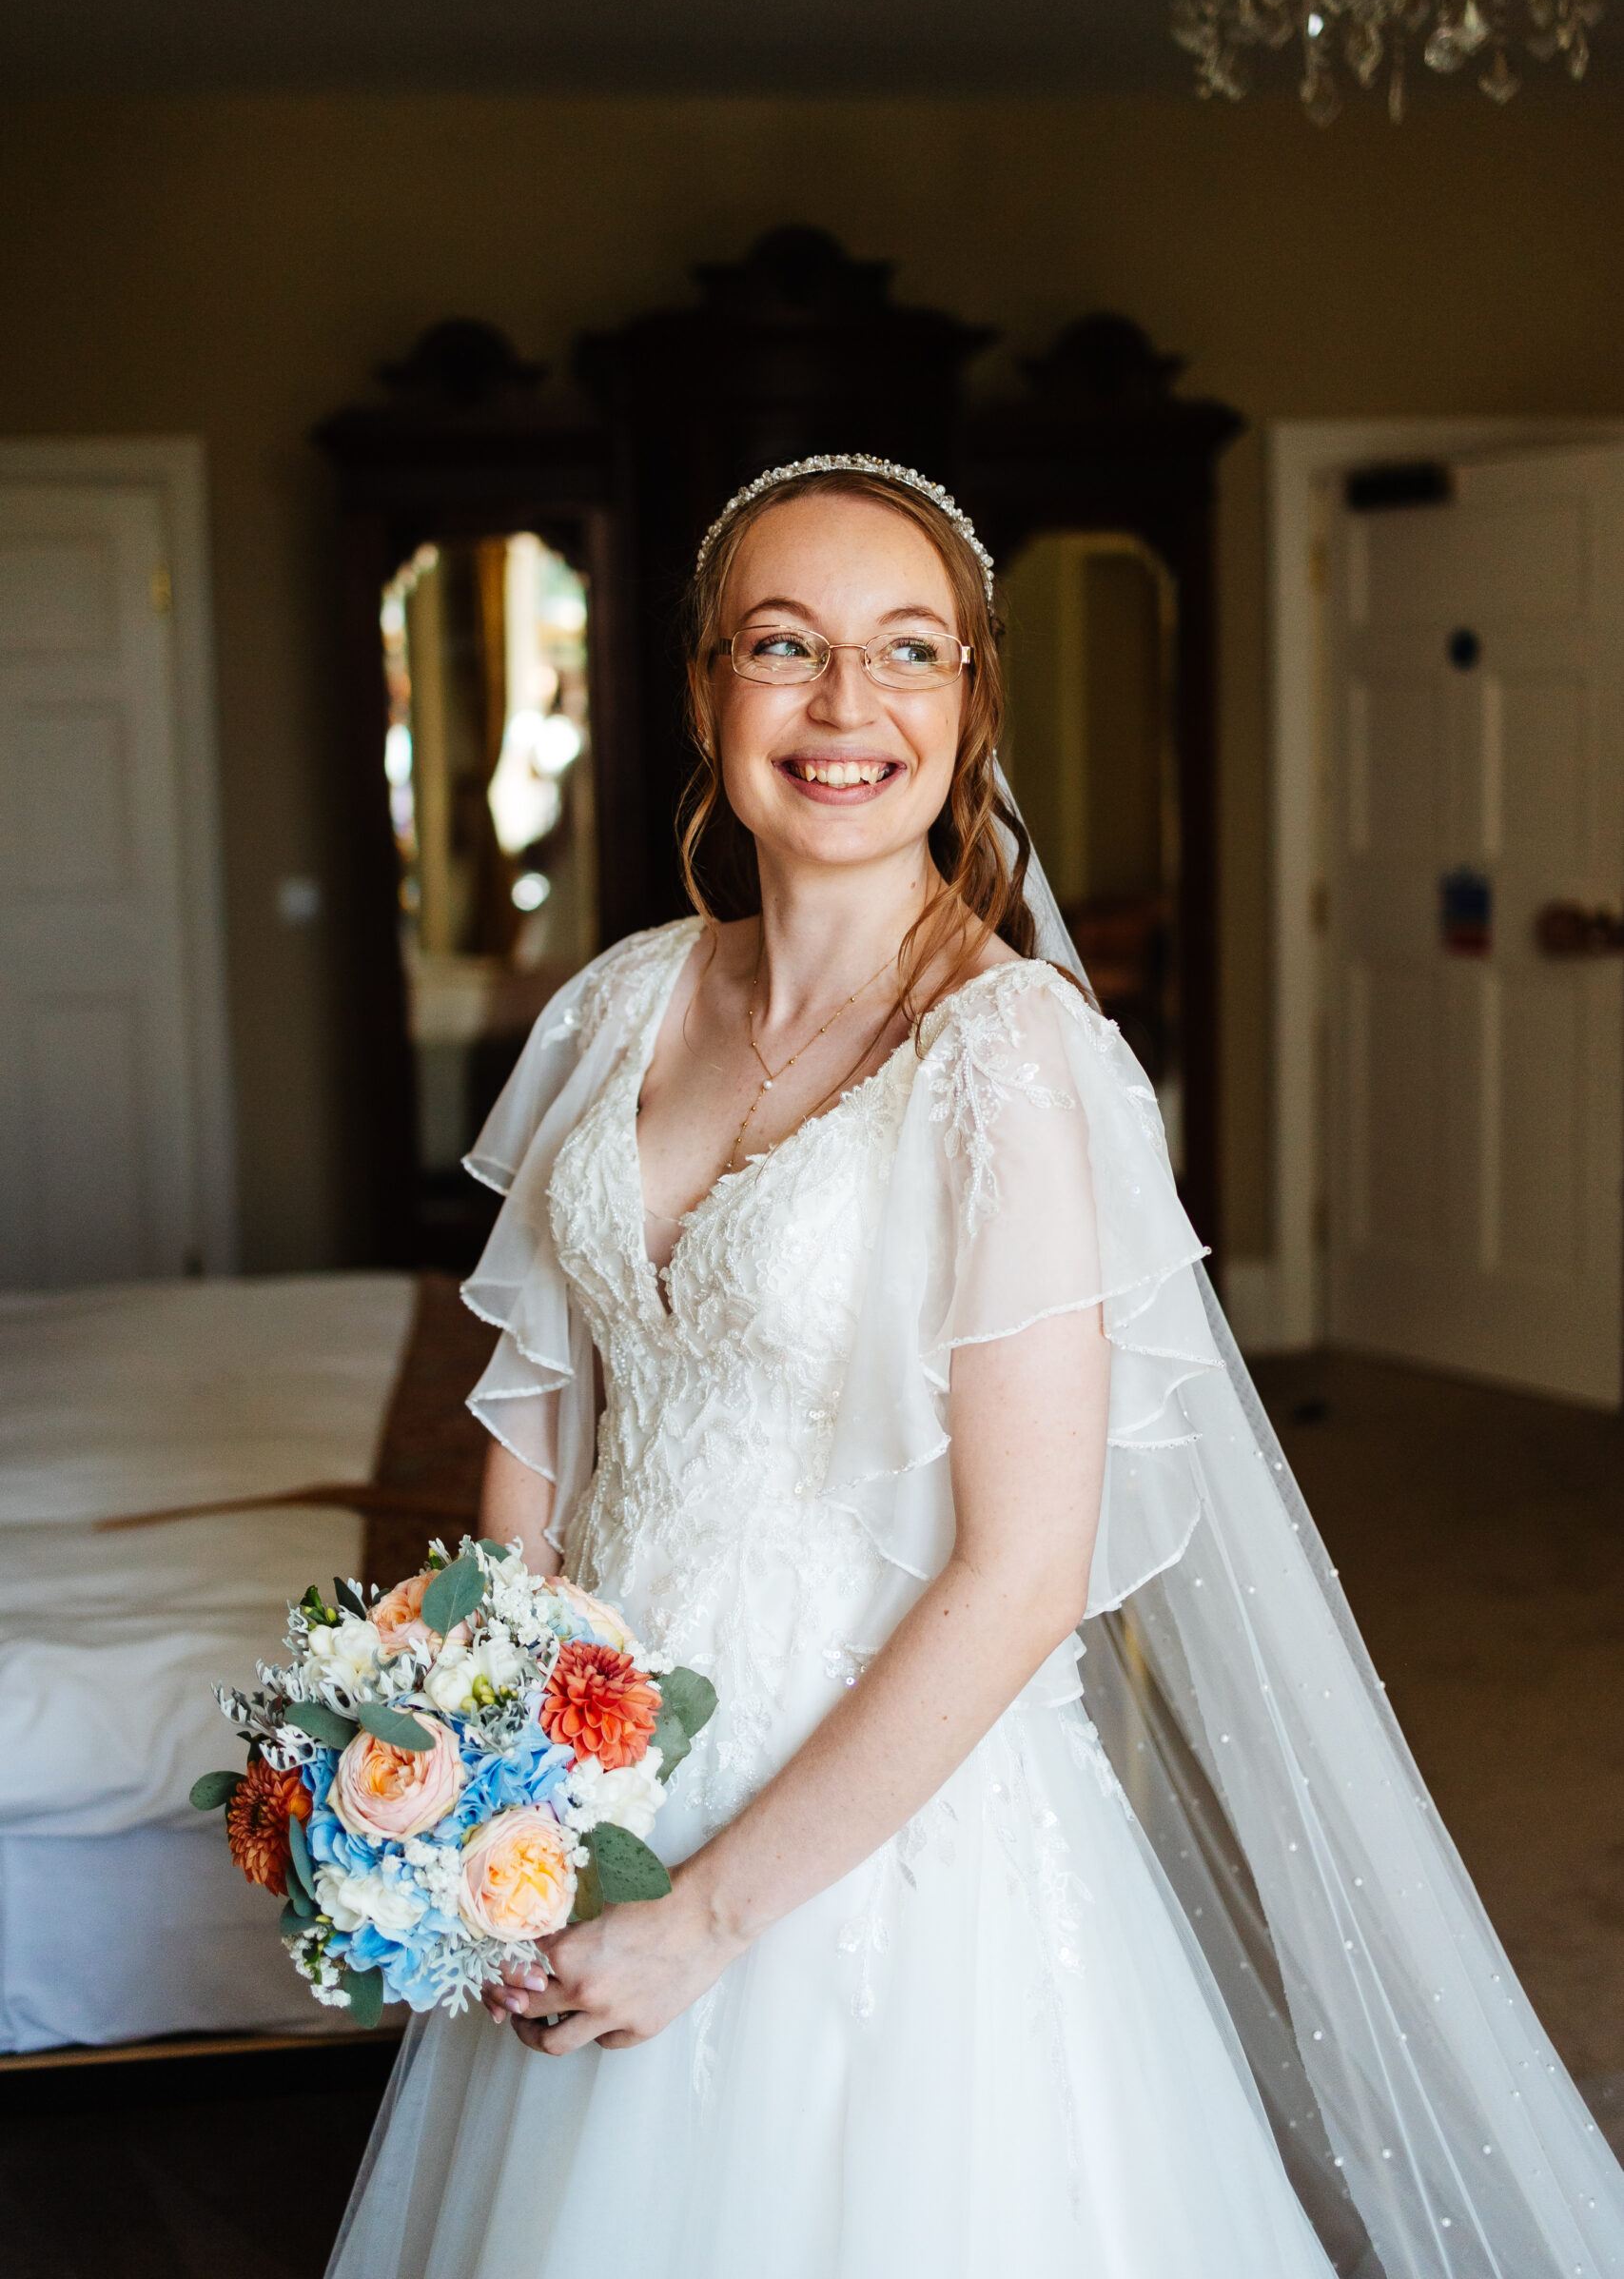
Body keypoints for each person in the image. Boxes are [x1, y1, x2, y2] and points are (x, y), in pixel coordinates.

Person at [328, 460, 1624, 2279]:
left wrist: (702, 1921)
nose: (845, 707)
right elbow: (541, 1434)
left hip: (885, 1840)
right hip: (605, 1783)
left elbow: (1023, 1575)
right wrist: (496, 1789)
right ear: (707, 692)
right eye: (785, 647)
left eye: (906, 650)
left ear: (970, 705)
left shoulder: (1012, 1060)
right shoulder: (616, 1006)